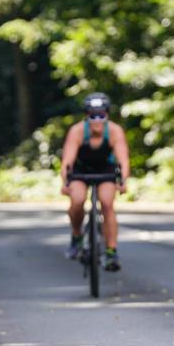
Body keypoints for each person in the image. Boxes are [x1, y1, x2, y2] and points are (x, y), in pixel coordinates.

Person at [61, 93, 130, 272]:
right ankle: (77, 236)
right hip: (80, 169)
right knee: (77, 200)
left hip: (105, 169)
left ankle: (111, 251)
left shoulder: (114, 131)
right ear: (87, 116)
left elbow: (123, 160)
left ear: (107, 115)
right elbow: (68, 160)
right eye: (93, 116)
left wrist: (123, 180)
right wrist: (66, 182)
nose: (97, 120)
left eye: (101, 115)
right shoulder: (77, 131)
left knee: (107, 203)